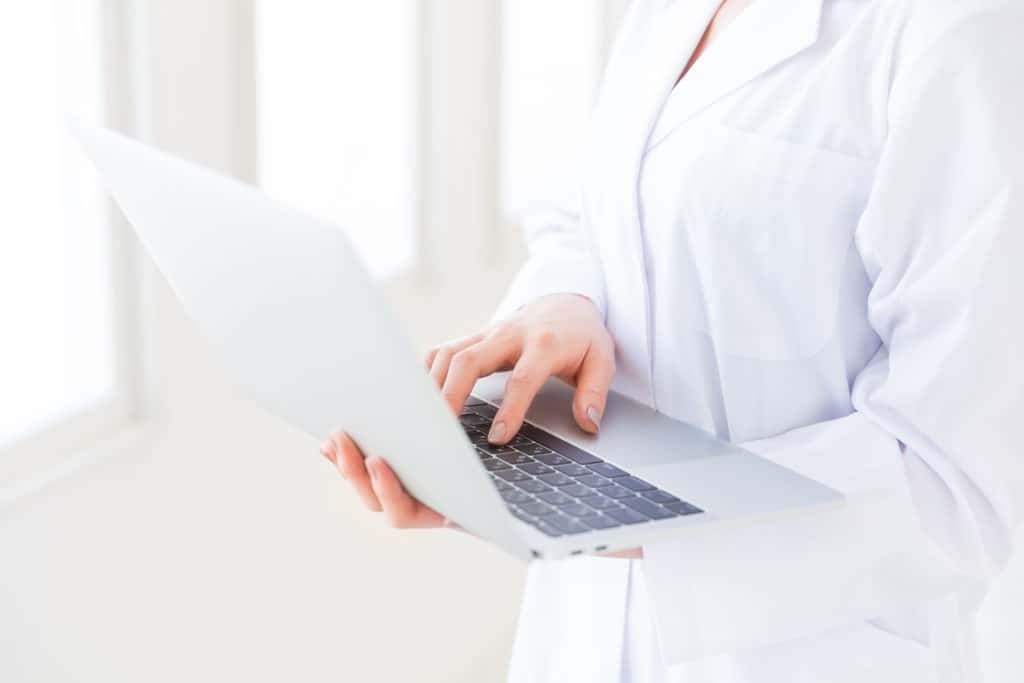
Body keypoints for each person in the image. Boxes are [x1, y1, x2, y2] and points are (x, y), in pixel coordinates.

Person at [320, 0, 1024, 680]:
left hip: (808, 651)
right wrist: (566, 298)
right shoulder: (666, 12)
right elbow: (587, 210)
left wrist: (611, 516)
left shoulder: (960, 31)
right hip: (583, 630)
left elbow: (956, 484)